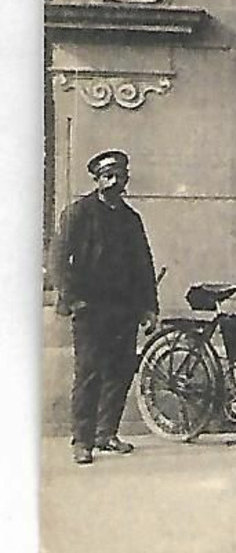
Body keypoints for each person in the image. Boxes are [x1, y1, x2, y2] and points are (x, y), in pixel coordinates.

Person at [49, 149, 159, 465]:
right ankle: (82, 441)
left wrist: (149, 307)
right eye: (106, 176)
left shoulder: (130, 219)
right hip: (91, 309)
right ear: (96, 179)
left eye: (119, 176)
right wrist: (72, 299)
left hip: (124, 309)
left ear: (126, 180)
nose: (113, 182)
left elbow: (143, 265)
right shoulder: (78, 213)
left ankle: (106, 434)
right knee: (89, 373)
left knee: (120, 372)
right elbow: (58, 260)